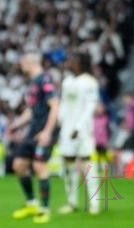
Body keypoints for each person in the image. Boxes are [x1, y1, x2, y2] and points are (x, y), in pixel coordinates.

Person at [8, 52, 60, 224]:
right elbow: (32, 111)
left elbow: (55, 106)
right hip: (33, 130)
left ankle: (45, 210)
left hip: (45, 130)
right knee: (19, 165)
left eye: (23, 61)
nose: (21, 65)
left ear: (31, 62)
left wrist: (47, 132)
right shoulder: (33, 83)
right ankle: (32, 204)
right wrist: (16, 125)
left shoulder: (45, 80)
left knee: (39, 165)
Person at [57, 52, 100, 215]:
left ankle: (94, 204)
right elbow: (63, 103)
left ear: (82, 63)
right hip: (67, 130)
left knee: (88, 165)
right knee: (68, 165)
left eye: (74, 60)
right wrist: (61, 122)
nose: (70, 63)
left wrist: (79, 127)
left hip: (83, 131)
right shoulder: (67, 81)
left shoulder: (90, 82)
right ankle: (72, 202)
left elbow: (90, 107)